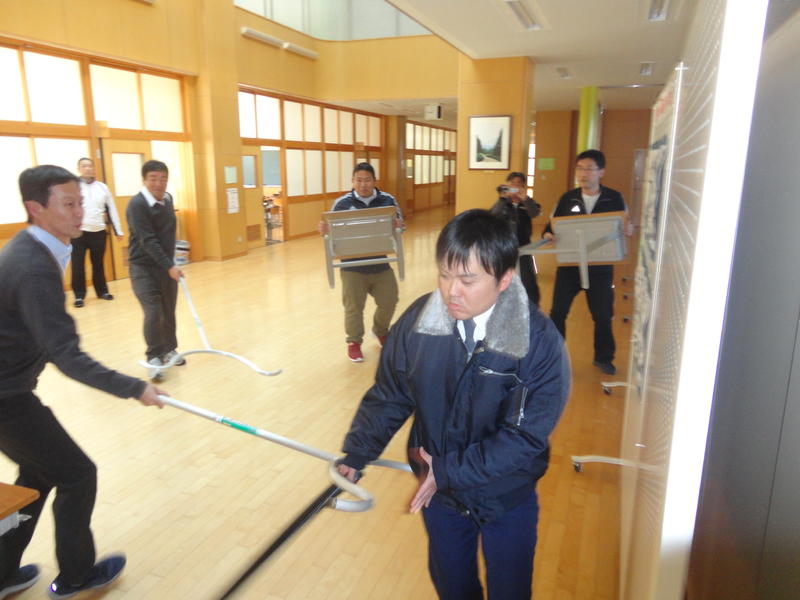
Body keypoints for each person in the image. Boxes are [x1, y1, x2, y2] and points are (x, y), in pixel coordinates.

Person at [337, 209, 570, 599]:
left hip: (505, 494)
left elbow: (524, 438)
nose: (451, 291)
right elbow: (390, 393)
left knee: (510, 590)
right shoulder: (419, 322)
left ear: (504, 280)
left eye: (467, 280)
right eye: (444, 275)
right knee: (452, 587)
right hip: (440, 495)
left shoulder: (538, 341)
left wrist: (446, 471)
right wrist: (359, 451)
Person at [0, 165, 165, 600]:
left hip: (10, 390)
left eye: (81, 202)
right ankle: (76, 577)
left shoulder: (34, 247)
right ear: (36, 208)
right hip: (5, 396)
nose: (80, 212)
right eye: (69, 203)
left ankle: (1, 572)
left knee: (37, 475)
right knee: (77, 474)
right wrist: (136, 388)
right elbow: (66, 355)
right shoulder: (31, 265)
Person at [543, 149, 627, 375]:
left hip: (600, 268)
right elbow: (551, 226)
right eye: (580, 168)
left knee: (602, 315)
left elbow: (623, 225)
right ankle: (555, 358)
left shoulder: (614, 198)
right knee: (558, 312)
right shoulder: (567, 198)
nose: (583, 173)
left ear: (601, 172)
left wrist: (627, 230)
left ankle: (604, 358)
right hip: (569, 267)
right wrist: (548, 234)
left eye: (589, 169)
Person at [318, 162, 402, 363]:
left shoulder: (387, 201)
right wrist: (325, 231)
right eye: (359, 180)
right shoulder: (342, 204)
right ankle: (354, 342)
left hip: (380, 262)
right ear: (353, 181)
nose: (363, 184)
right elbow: (331, 234)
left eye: (367, 180)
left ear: (374, 181)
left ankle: (380, 330)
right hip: (352, 266)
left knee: (390, 300)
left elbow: (400, 227)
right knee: (353, 308)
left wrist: (398, 225)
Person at [126, 160, 185, 371]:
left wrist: (174, 261)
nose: (158, 184)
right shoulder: (137, 205)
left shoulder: (167, 199)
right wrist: (170, 266)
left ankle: (170, 349)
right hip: (142, 268)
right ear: (144, 180)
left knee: (168, 310)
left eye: (163, 179)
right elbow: (148, 240)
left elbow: (168, 234)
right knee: (153, 311)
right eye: (153, 179)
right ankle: (154, 356)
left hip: (166, 266)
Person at [70, 158, 124, 308]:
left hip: (98, 231)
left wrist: (118, 230)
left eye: (90, 166)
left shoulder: (103, 187)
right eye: (84, 166)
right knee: (77, 265)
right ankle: (79, 296)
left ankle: (102, 292)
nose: (87, 168)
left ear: (94, 168)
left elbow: (112, 209)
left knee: (98, 264)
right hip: (78, 233)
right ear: (79, 169)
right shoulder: (72, 187)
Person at [490, 171, 542, 305]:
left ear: (523, 186)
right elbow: (492, 215)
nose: (515, 187)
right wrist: (502, 198)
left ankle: (532, 306)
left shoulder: (527, 203)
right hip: (505, 248)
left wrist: (525, 199)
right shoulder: (503, 203)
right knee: (502, 277)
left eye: (519, 184)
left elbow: (535, 212)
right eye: (512, 184)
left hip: (524, 246)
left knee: (528, 279)